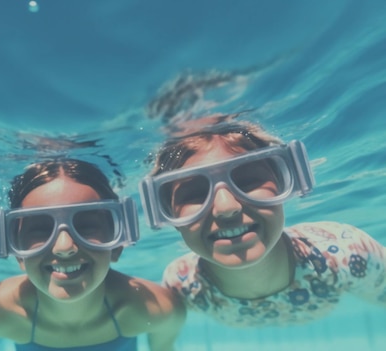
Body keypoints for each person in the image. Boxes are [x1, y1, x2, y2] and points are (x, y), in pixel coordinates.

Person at [139, 119, 386, 326]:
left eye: (247, 181)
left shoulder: (346, 252)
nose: (227, 208)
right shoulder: (182, 283)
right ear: (167, 216)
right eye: (195, 195)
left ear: (286, 184)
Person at [0, 159, 186, 350]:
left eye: (86, 225)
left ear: (117, 244)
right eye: (41, 229)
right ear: (19, 254)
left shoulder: (157, 310)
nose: (64, 246)